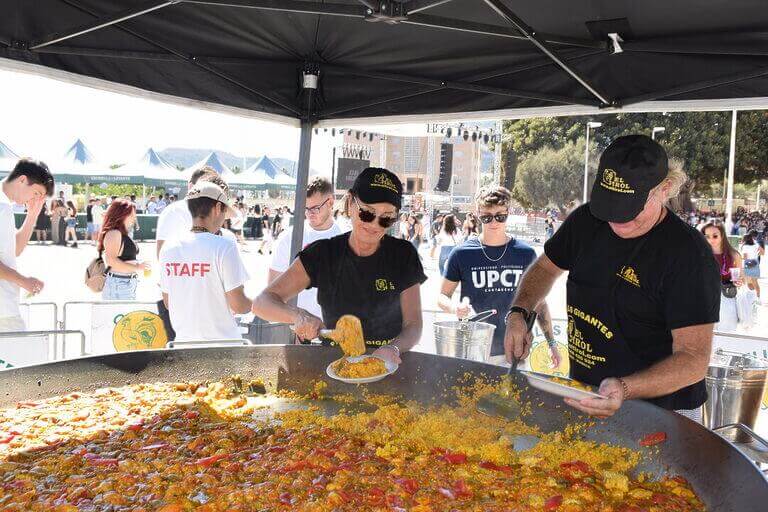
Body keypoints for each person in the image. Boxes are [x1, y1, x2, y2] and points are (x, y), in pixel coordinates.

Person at [505, 135, 720, 420]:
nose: (617, 219)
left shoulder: (689, 256)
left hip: (663, 412)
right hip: (585, 394)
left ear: (665, 189)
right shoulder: (585, 221)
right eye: (610, 206)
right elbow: (545, 268)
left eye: (629, 208)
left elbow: (693, 360)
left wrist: (626, 388)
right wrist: (520, 311)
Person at [254, 167, 426, 364]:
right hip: (335, 364)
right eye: (368, 213)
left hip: (389, 365)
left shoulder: (403, 255)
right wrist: (297, 315)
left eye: (386, 217)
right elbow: (262, 303)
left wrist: (392, 348)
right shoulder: (323, 254)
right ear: (350, 203)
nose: (375, 224)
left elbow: (414, 324)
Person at [439, 187, 556, 362]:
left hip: (515, 351)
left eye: (500, 216)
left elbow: (539, 303)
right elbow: (442, 296)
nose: (494, 222)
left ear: (508, 212)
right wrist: (454, 308)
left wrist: (551, 343)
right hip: (473, 350)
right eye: (487, 217)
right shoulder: (461, 254)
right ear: (478, 214)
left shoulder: (525, 254)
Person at [160, 182, 251, 341]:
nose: (224, 218)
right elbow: (239, 305)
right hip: (222, 348)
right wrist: (261, 302)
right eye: (224, 211)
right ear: (217, 208)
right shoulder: (224, 246)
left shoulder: (169, 247)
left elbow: (168, 302)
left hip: (184, 346)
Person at [269, 177, 345, 320]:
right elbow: (272, 290)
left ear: (330, 202)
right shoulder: (289, 237)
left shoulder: (347, 236)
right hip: (297, 331)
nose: (310, 213)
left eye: (316, 208)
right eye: (306, 208)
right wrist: (292, 321)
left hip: (336, 330)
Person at [0, 159, 54, 331]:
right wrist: (24, 281)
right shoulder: (2, 207)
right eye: (37, 192)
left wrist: (32, 215)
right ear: (22, 180)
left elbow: (13, 250)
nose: (36, 198)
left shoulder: (4, 205)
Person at [98, 199, 149, 300]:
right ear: (122, 214)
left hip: (125, 283)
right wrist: (138, 267)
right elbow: (111, 261)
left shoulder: (122, 233)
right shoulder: (114, 233)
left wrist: (138, 265)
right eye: (132, 213)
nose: (134, 216)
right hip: (119, 283)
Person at [702, 222, 747, 332]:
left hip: (726, 297)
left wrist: (739, 281)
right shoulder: (700, 254)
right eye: (707, 236)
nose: (711, 240)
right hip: (705, 299)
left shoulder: (734, 255)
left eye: (715, 236)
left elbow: (742, 278)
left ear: (722, 235)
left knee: (726, 331)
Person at [741, 231, 763, 300]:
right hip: (755, 262)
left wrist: (739, 257)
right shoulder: (756, 245)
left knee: (747, 283)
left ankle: (752, 297)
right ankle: (757, 297)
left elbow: (745, 257)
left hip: (749, 263)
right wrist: (756, 255)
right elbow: (762, 252)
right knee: (754, 282)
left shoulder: (745, 246)